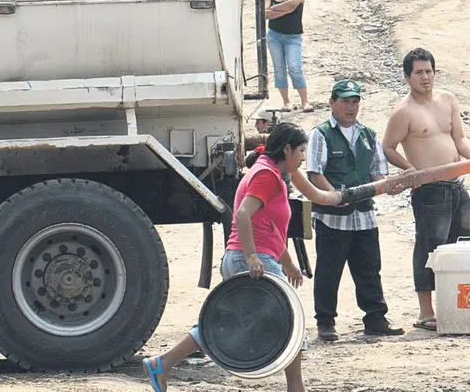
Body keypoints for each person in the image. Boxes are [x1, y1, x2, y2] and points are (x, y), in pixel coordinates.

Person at [143, 122, 343, 392]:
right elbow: (242, 215)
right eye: (301, 150)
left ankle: (162, 363)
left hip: (254, 257)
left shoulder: (268, 172)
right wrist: (251, 257)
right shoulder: (267, 176)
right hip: (252, 260)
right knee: (290, 322)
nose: (303, 157)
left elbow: (268, 229)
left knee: (228, 322)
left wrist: (289, 264)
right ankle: (296, 387)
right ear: (287, 150)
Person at [382, 48, 470, 332]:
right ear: (407, 77)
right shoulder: (404, 112)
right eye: (419, 73)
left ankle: (463, 305)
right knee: (430, 247)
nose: (425, 77)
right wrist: (408, 168)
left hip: (456, 183)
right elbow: (388, 146)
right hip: (429, 188)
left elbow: (460, 138)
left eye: (429, 71)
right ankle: (426, 311)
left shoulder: (448, 99)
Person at [306, 79, 404, 341]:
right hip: (331, 218)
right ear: (332, 103)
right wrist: (333, 196)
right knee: (329, 270)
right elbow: (315, 172)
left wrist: (387, 185)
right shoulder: (321, 133)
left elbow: (378, 172)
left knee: (369, 268)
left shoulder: (368, 135)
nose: (351, 107)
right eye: (345, 101)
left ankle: (375, 318)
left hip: (364, 215)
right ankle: (325, 322)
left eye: (355, 101)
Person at [266, 0, 312, 112]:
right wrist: (287, 9)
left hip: (293, 37)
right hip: (274, 36)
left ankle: (305, 101)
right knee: (279, 69)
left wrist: (276, 9)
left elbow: (294, 3)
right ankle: (287, 102)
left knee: (294, 67)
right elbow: (265, 14)